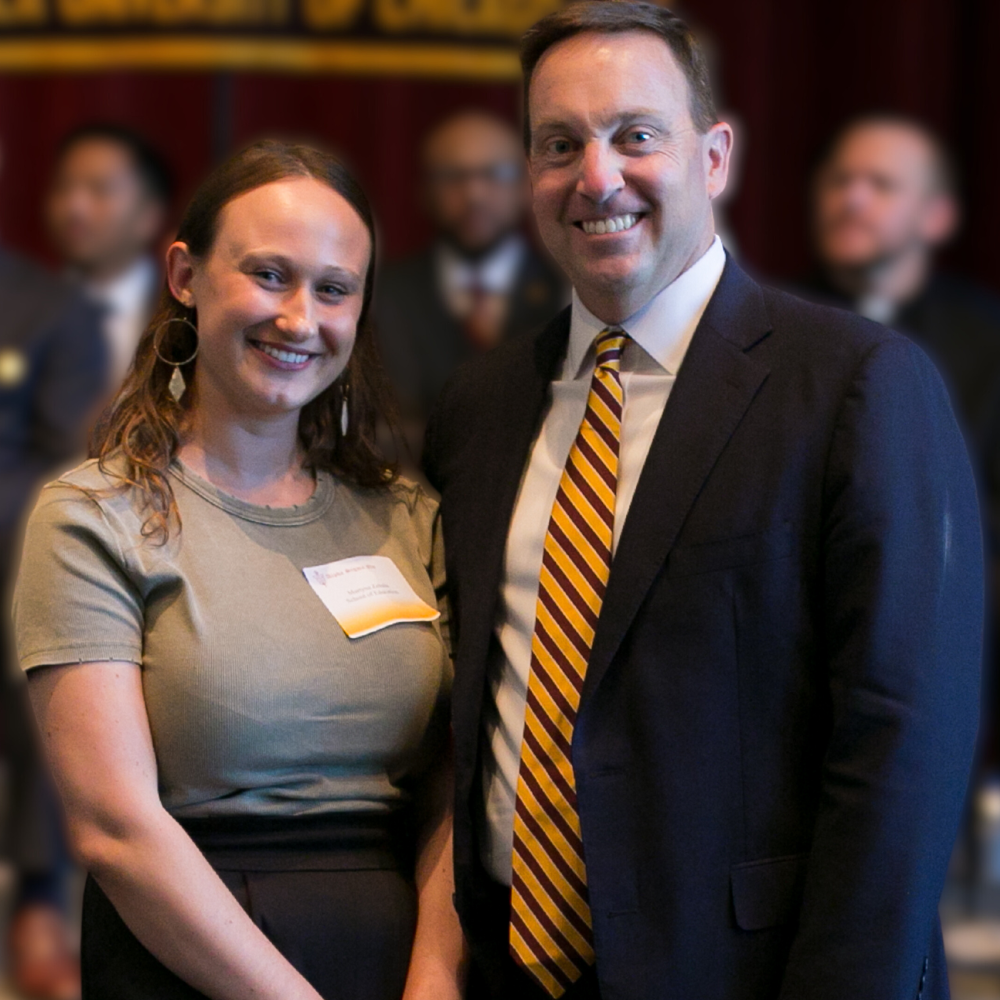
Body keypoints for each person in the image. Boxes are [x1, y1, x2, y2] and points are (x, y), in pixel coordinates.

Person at [422, 4, 983, 999]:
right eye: (559, 145)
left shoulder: (856, 384)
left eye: (636, 135)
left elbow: (901, 748)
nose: (597, 177)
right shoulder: (477, 409)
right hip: (511, 973)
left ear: (713, 156)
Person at [13, 140, 466, 1000]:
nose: (300, 318)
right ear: (185, 274)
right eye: (268, 274)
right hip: (192, 961)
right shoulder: (93, 517)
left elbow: (450, 785)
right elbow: (114, 828)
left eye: (334, 289)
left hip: (398, 958)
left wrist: (435, 980)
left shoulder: (407, 513)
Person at [802, 115, 1000, 753]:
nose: (851, 199)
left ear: (937, 217)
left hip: (950, 677)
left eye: (880, 185)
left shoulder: (989, 343)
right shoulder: (776, 328)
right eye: (840, 181)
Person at [0, 137, 107, 999]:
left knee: (53, 636)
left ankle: (38, 896)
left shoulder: (47, 309)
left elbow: (57, 469)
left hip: (7, 550)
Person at [376, 110, 564, 459]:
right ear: (425, 191)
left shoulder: (570, 294)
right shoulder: (384, 296)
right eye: (452, 176)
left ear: (527, 186)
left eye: (495, 174)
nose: (474, 194)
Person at [47, 124, 171, 390]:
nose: (74, 207)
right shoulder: (26, 305)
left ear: (150, 215)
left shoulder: (178, 306)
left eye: (100, 189)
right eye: (63, 186)